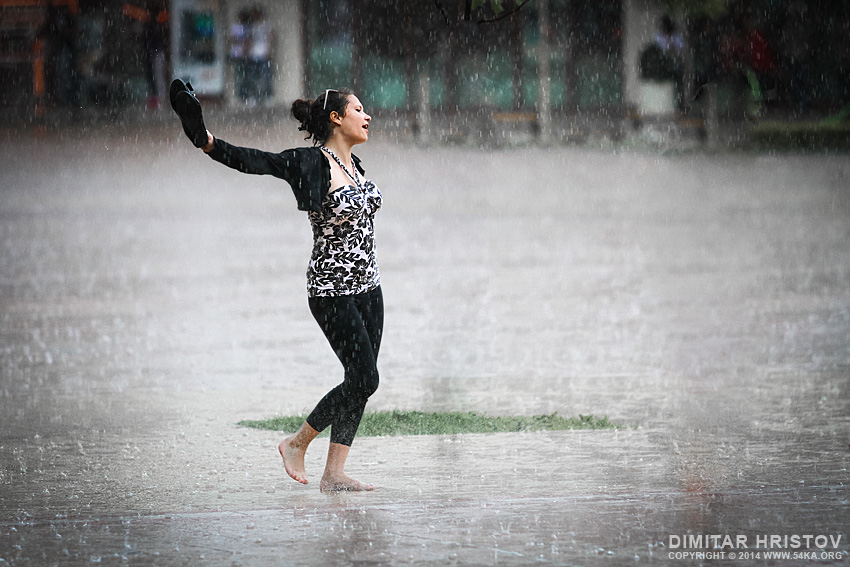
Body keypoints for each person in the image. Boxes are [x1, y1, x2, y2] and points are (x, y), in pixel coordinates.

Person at [170, 83, 381, 492]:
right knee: (365, 379)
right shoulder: (309, 163)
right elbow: (256, 161)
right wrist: (208, 142)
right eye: (358, 108)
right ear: (337, 118)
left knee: (359, 378)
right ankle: (295, 444)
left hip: (369, 288)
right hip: (331, 289)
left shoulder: (358, 168)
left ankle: (334, 474)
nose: (367, 115)